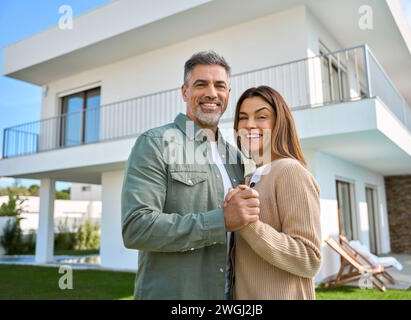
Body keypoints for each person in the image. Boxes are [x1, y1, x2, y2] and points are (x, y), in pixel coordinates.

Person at [121, 51, 260, 300]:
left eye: (219, 85)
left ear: (228, 93)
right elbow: (136, 228)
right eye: (200, 84)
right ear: (185, 92)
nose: (211, 93)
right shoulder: (155, 143)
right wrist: (220, 221)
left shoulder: (235, 157)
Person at [226, 85, 322, 300]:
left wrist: (248, 224)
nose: (249, 124)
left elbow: (309, 259)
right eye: (243, 117)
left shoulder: (290, 170)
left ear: (279, 122)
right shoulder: (251, 178)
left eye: (261, 117)